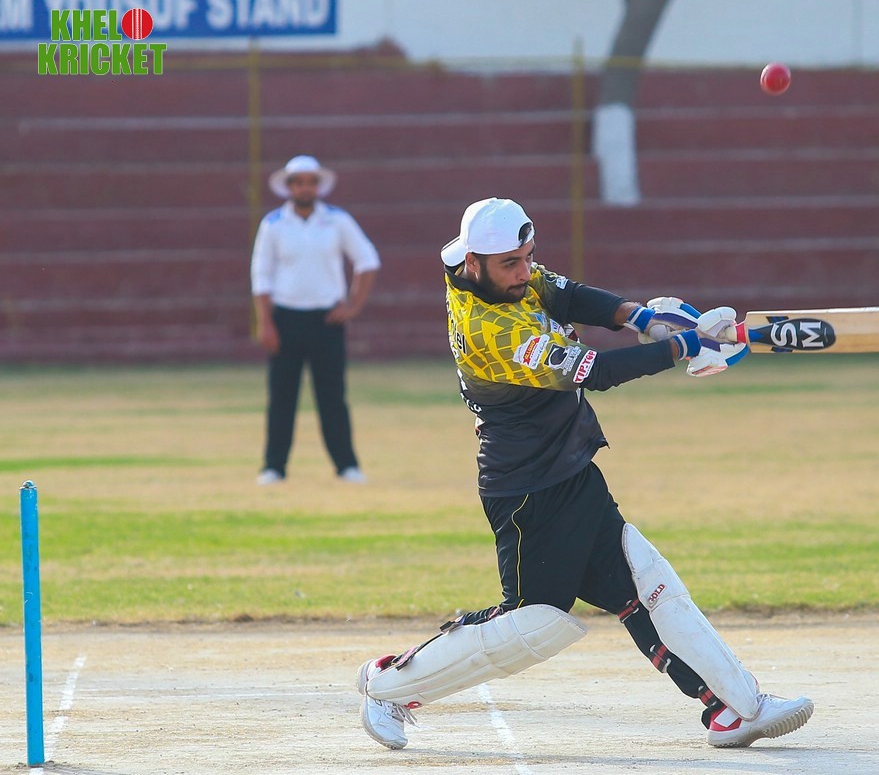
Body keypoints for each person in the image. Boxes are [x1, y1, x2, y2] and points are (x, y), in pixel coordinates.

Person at [354, 197, 812, 750]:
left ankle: (736, 709)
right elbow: (593, 372)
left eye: (528, 257)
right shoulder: (491, 327)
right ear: (474, 263)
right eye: (512, 264)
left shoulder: (499, 273)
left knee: (647, 582)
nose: (524, 271)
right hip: (528, 491)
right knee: (536, 619)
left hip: (571, 469)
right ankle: (389, 685)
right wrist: (686, 344)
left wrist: (642, 318)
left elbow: (568, 295)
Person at [249, 155, 380, 485]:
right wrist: (265, 322)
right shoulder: (273, 224)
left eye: (310, 182)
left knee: (332, 397)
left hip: (327, 320)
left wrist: (353, 306)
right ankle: (274, 467)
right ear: (289, 187)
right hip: (286, 319)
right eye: (299, 183)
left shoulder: (337, 220)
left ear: (318, 187)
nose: (305, 188)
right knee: (282, 398)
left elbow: (367, 260)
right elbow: (261, 275)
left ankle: (346, 465)